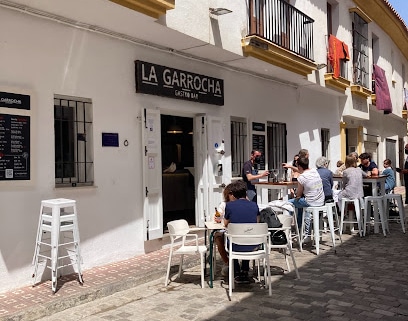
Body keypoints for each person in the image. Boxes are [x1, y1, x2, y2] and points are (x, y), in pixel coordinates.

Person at [223, 180, 260, 283]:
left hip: (235, 244)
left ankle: (236, 271)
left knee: (232, 239)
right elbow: (257, 222)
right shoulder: (254, 205)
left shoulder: (230, 206)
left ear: (233, 194)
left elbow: (225, 224)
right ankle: (244, 270)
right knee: (246, 236)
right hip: (253, 244)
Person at [288, 156, 325, 243]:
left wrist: (295, 196)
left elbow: (299, 195)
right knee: (300, 205)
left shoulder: (302, 177)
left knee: (288, 203)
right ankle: (302, 231)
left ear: (300, 167)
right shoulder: (314, 171)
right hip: (320, 201)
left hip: (310, 202)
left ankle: (289, 229)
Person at [213, 185, 232, 276]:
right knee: (218, 236)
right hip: (226, 230)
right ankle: (227, 261)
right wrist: (218, 217)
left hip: (235, 232)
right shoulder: (224, 204)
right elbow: (219, 215)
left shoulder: (240, 204)